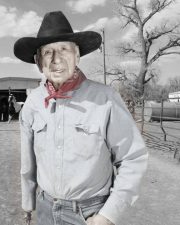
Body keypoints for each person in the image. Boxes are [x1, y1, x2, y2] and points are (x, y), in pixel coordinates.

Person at [14, 11, 148, 225]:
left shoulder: (106, 99)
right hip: (45, 208)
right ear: (39, 62)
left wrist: (108, 215)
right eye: (47, 52)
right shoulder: (33, 103)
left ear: (77, 56)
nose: (56, 60)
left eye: (64, 49)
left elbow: (133, 158)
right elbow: (27, 163)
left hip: (89, 214)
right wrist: (28, 203)